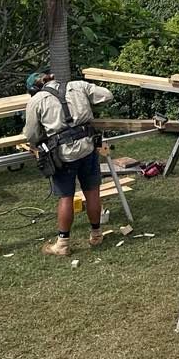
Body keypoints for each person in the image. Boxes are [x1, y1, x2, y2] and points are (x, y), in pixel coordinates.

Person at [23, 70, 114, 255]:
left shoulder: (36, 100)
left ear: (34, 89)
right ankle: (96, 235)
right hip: (87, 146)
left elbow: (31, 135)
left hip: (63, 154)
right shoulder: (77, 86)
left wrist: (41, 139)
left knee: (66, 197)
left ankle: (62, 245)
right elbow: (107, 95)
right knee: (92, 192)